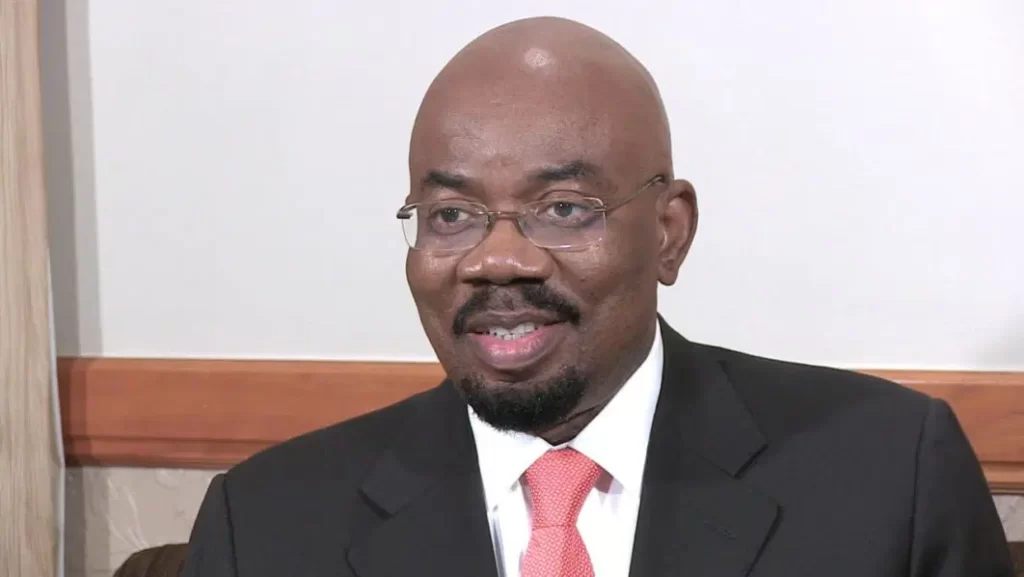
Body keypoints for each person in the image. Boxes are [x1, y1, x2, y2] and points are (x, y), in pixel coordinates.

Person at [181, 16, 1013, 577]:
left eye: (564, 208)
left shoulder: (889, 478)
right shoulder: (264, 526)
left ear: (669, 232)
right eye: (452, 215)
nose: (497, 261)